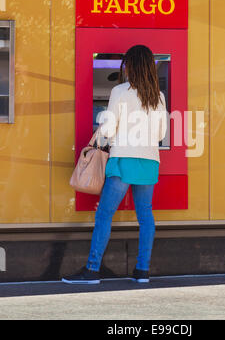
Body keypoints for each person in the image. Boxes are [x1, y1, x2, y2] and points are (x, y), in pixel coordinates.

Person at [62, 45, 167, 284]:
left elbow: (108, 129)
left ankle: (92, 270)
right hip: (149, 161)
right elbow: (161, 132)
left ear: (131, 65)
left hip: (123, 160)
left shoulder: (121, 91)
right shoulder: (158, 96)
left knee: (104, 214)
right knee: (145, 215)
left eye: (126, 64)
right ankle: (142, 271)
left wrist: (98, 139)